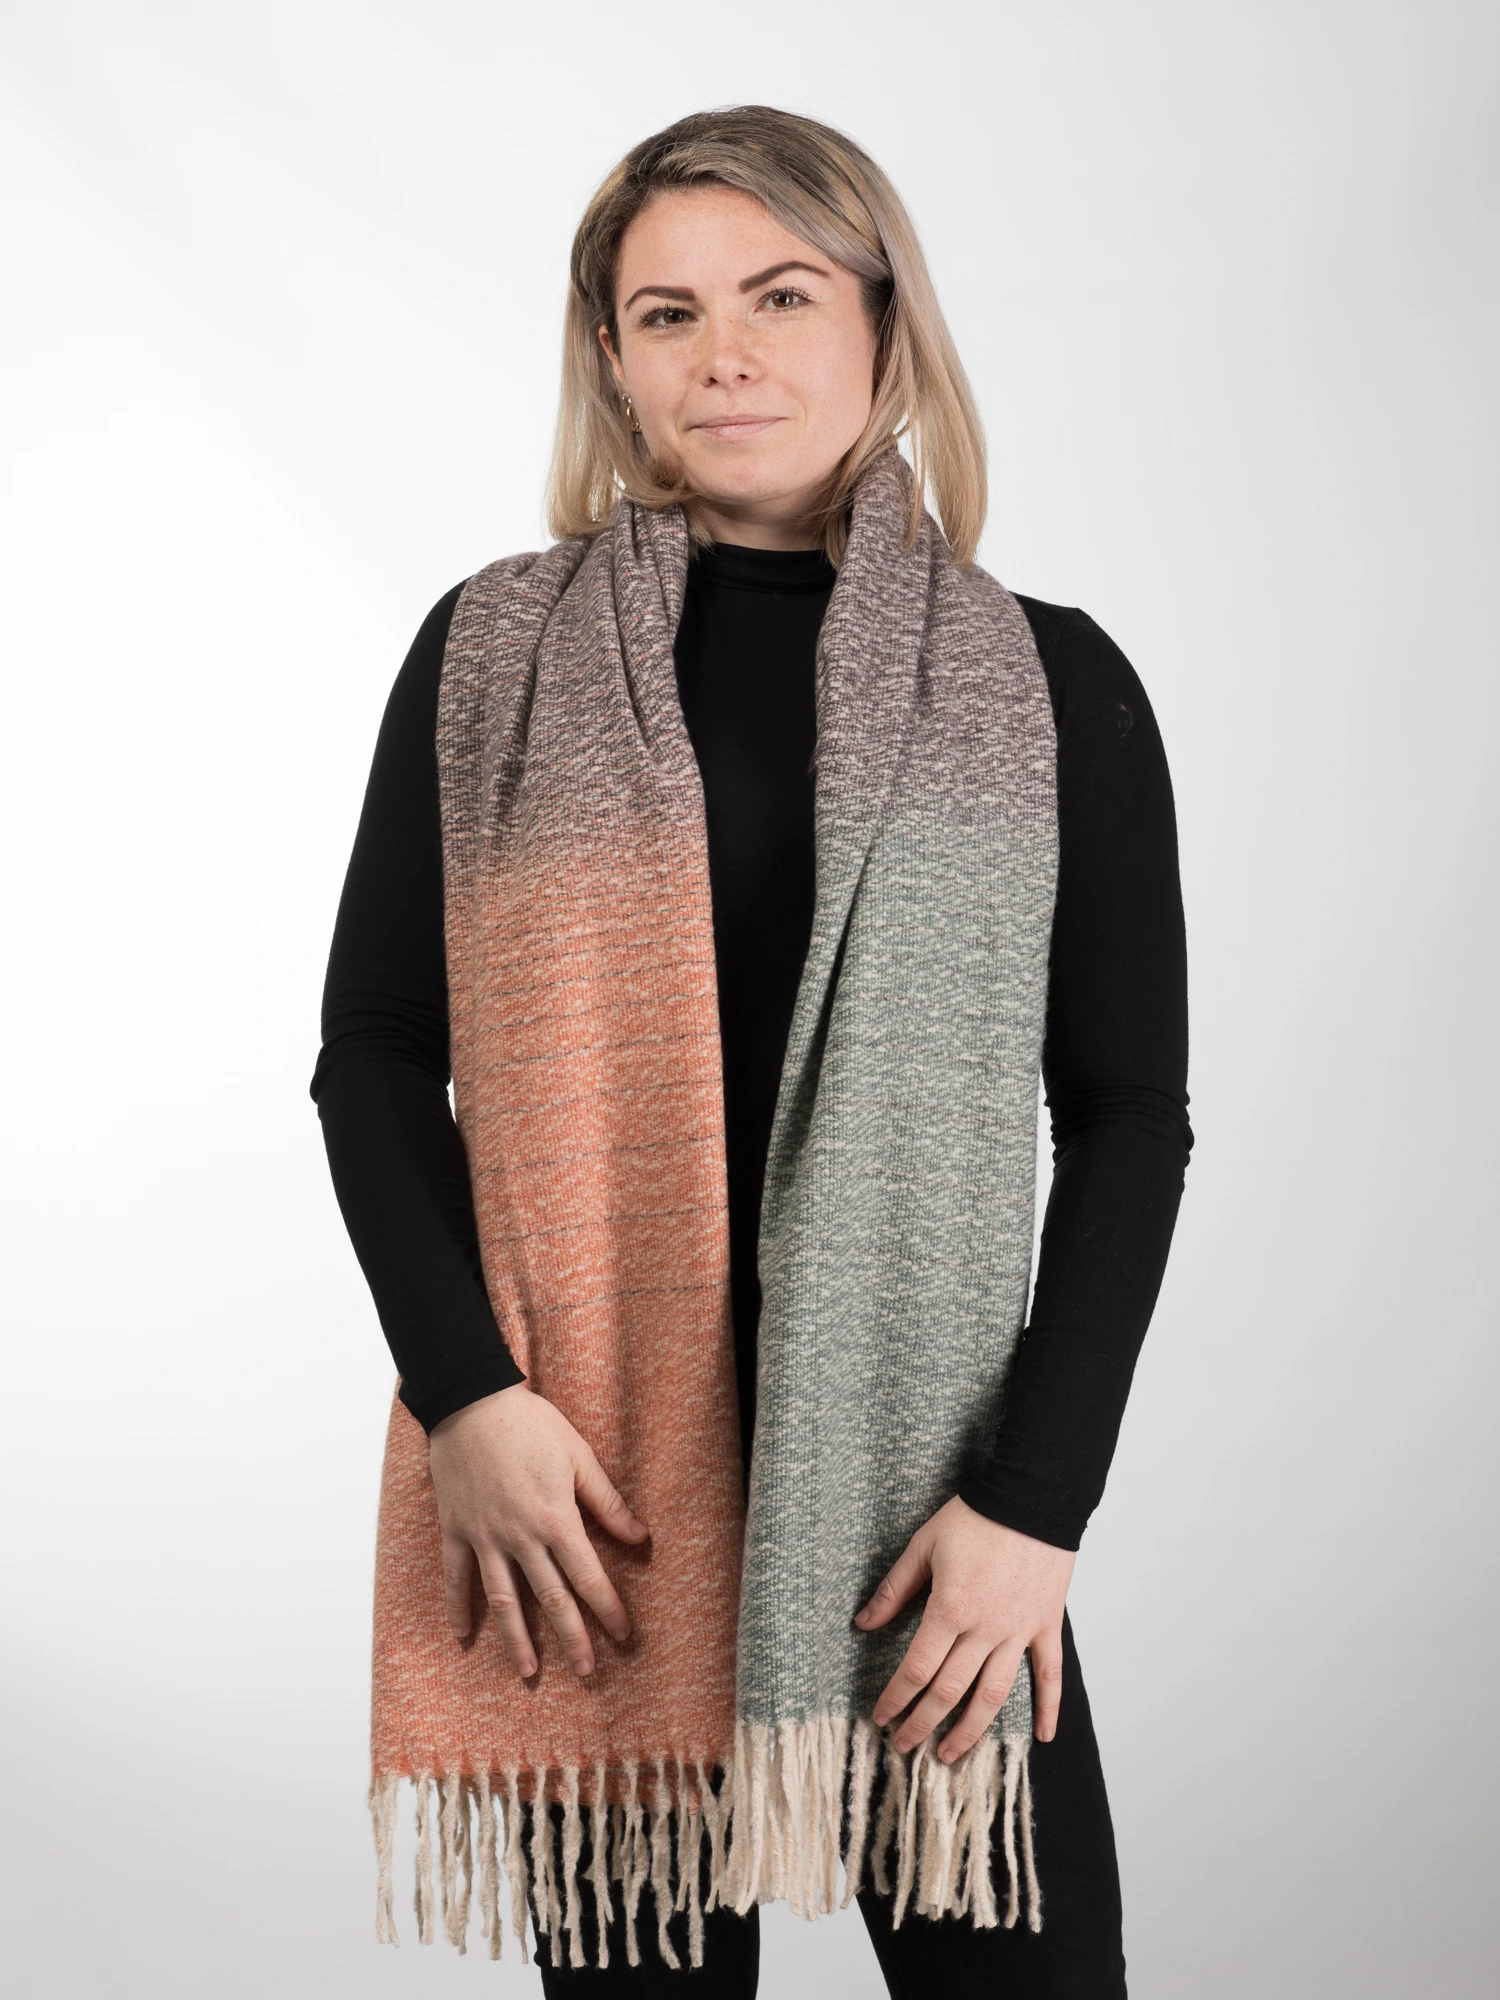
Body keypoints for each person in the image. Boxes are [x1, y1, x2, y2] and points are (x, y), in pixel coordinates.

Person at [311, 105, 1191, 1999]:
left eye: (781, 295)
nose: (725, 353)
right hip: (591, 1517)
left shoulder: (1053, 683)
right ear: (612, 360)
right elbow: (375, 1055)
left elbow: (1127, 1118)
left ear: (882, 321)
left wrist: (1037, 1507)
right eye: (668, 312)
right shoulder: (488, 661)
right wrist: (468, 1401)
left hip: (929, 1515)